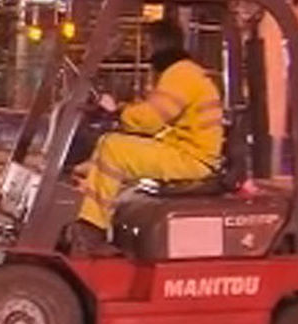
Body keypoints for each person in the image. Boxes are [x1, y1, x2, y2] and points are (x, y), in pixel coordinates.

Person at [67, 20, 224, 256]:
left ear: (160, 44)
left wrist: (118, 112)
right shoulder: (181, 72)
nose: (145, 51)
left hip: (191, 159)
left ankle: (90, 232)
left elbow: (150, 119)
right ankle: (92, 221)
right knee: (105, 153)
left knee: (113, 148)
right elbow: (155, 119)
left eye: (148, 44)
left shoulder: (180, 74)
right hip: (182, 150)